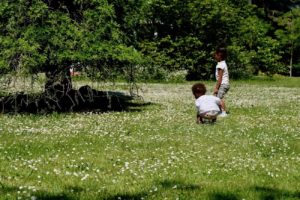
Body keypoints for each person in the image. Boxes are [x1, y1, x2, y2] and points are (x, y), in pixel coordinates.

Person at [213, 46, 230, 117]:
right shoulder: (222, 63)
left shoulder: (221, 65)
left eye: (215, 55)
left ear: (219, 55)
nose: (214, 57)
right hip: (224, 84)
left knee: (219, 98)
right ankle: (221, 111)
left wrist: (216, 88)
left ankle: (223, 112)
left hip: (223, 84)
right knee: (218, 97)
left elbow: (220, 78)